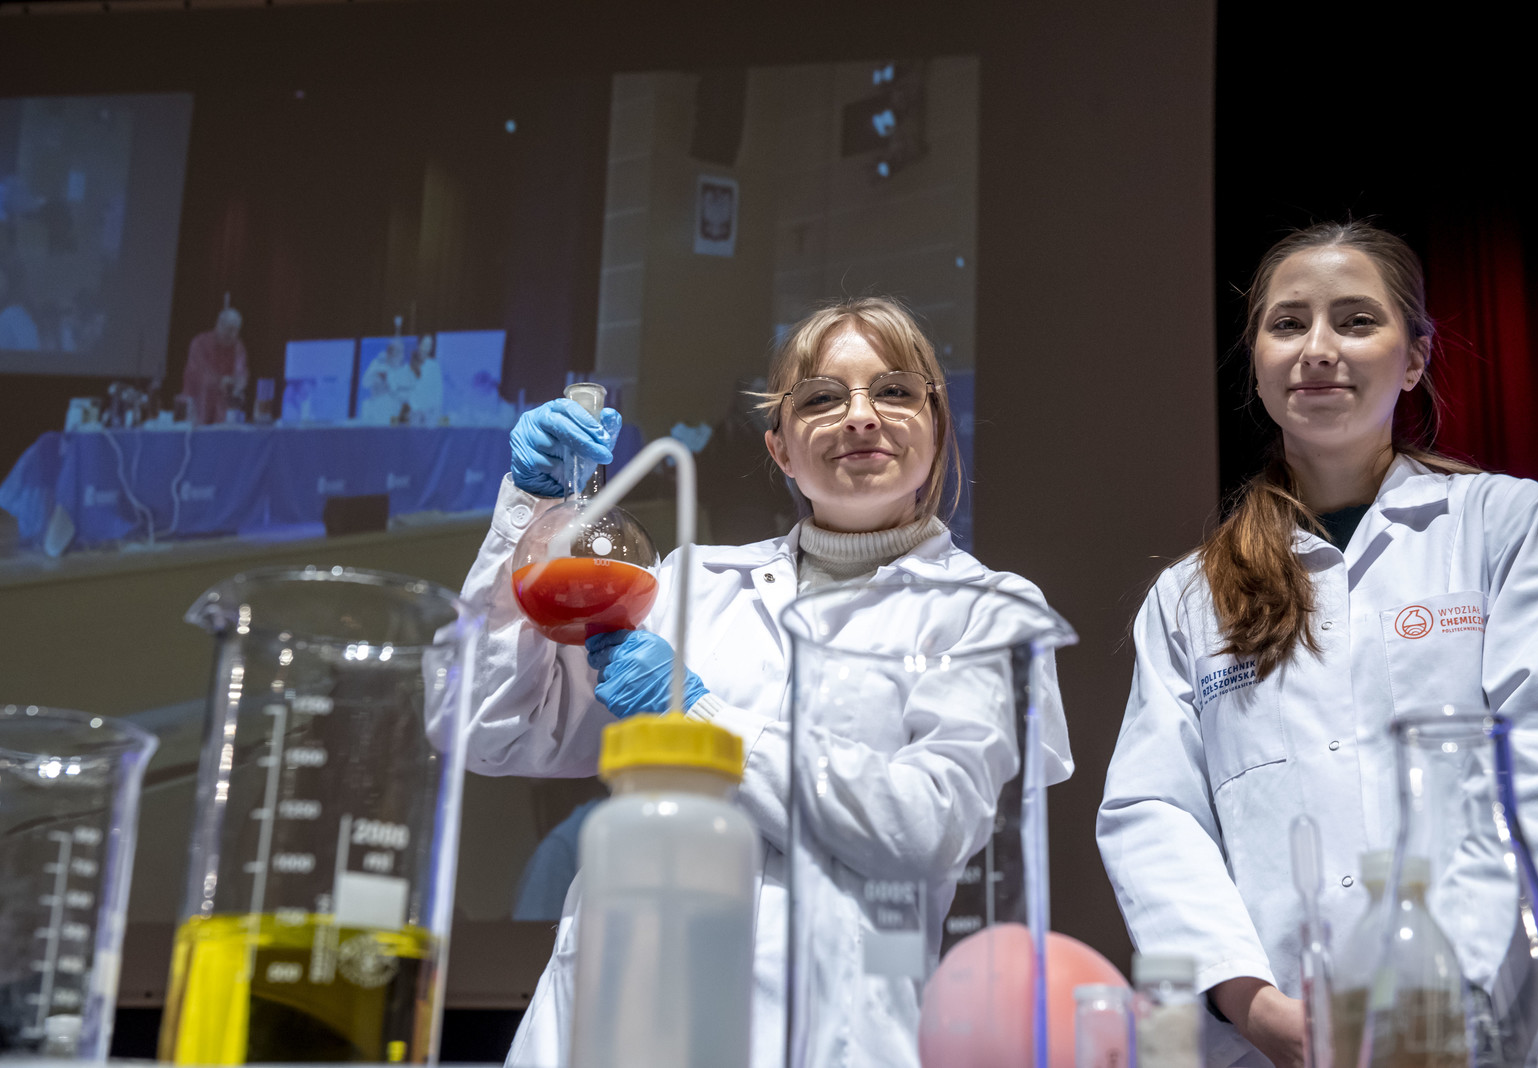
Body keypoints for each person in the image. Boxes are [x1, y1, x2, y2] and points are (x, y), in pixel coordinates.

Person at [452, 296, 1075, 1068]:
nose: (860, 417)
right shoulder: (689, 586)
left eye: (894, 391)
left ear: (938, 425)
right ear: (779, 448)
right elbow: (493, 731)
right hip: (613, 1025)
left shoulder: (989, 611)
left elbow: (926, 826)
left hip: (830, 1038)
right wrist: (532, 510)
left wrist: (701, 719)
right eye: (821, 398)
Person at [1096, 221, 1538, 1067]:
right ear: (1257, 361)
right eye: (1288, 324)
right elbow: (1154, 817)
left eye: (1356, 321)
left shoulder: (1506, 526)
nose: (1318, 349)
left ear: (1416, 358)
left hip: (1489, 1029)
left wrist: (1434, 990)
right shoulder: (1188, 596)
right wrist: (1255, 1007)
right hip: (1281, 1041)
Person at [180, 306, 248, 424]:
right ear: (218, 325)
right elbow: (199, 372)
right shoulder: (200, 343)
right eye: (229, 329)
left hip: (222, 409)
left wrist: (237, 383)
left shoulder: (238, 347)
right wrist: (221, 380)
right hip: (196, 403)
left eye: (235, 330)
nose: (231, 334)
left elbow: (241, 373)